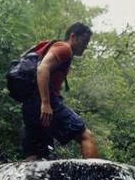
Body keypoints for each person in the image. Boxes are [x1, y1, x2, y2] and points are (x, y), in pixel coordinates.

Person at [21, 22, 99, 161]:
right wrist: (45, 103)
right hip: (43, 102)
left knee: (36, 154)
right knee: (86, 136)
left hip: (29, 104)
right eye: (85, 41)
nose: (86, 46)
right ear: (73, 36)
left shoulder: (58, 48)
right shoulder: (64, 48)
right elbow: (42, 69)